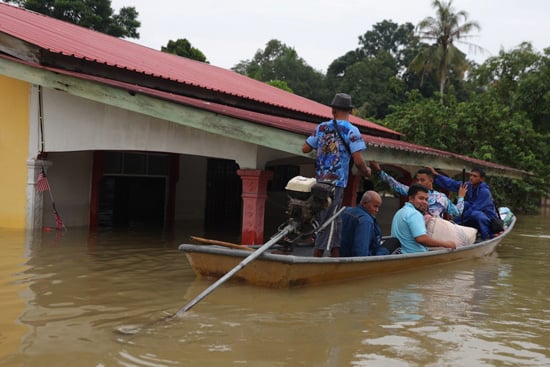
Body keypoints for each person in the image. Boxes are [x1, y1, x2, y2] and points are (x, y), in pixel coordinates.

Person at [302, 93, 371, 257]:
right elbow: (358, 159)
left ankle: (336, 254)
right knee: (330, 220)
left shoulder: (321, 127)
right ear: (350, 111)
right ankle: (316, 257)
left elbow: (305, 148)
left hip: (320, 180)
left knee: (333, 217)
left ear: (332, 110)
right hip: (336, 182)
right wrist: (366, 171)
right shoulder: (352, 130)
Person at [370, 161, 466, 219]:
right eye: (417, 179)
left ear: (431, 181)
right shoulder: (413, 191)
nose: (419, 182)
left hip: (436, 235)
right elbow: (395, 184)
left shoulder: (441, 197)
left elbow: (456, 212)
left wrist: (461, 197)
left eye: (422, 180)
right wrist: (379, 172)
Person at [429, 166, 499, 240]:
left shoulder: (485, 192)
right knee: (465, 204)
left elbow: (474, 209)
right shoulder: (468, 186)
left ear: (482, 179)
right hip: (472, 213)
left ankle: (487, 235)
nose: (471, 178)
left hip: (486, 216)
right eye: (471, 175)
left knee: (476, 214)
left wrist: (454, 222)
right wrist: (436, 175)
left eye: (475, 176)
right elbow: (452, 183)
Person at [391, 184, 457, 254]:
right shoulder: (414, 214)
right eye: (421, 198)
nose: (425, 202)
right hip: (415, 257)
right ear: (411, 199)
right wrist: (445, 244)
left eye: (426, 199)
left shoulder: (400, 212)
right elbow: (422, 239)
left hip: (401, 255)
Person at [340, 191, 383, 257]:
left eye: (378, 207)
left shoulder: (346, 211)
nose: (377, 210)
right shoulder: (365, 221)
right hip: (357, 261)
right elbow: (361, 252)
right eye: (375, 206)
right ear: (364, 203)